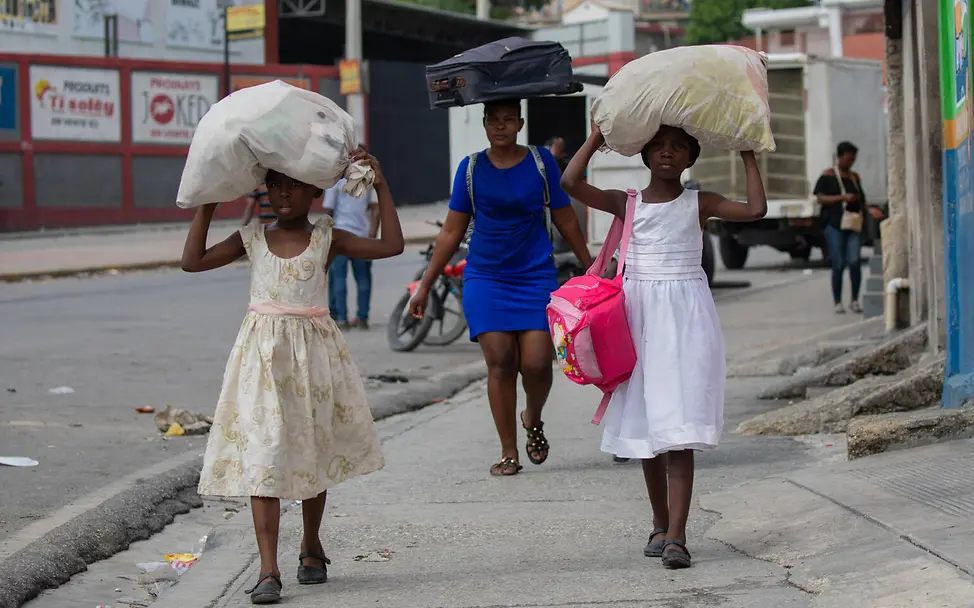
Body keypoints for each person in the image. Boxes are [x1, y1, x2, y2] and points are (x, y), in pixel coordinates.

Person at [180, 148, 404, 604]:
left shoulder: (329, 238)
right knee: (264, 455)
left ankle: (310, 546)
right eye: (276, 184)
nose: (284, 193)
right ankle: (267, 569)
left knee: (310, 450)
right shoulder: (250, 239)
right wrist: (206, 204)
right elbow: (192, 261)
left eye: (296, 185)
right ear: (265, 189)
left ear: (317, 191)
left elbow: (391, 247)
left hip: (315, 359)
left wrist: (380, 184)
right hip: (260, 361)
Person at [562, 124, 767, 569]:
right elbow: (570, 183)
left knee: (680, 428)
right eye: (657, 147)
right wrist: (598, 137)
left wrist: (747, 153)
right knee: (647, 429)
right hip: (636, 321)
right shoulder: (626, 203)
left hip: (686, 322)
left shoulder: (701, 203)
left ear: (692, 156)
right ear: (644, 155)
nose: (667, 154)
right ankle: (659, 523)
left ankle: (678, 535)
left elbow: (755, 209)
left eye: (677, 147)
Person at [408, 98, 593, 477]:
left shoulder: (541, 163)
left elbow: (565, 219)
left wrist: (589, 265)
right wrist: (425, 285)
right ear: (485, 124)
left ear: (520, 123)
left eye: (509, 120)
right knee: (501, 362)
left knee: (539, 363)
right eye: (494, 120)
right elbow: (451, 230)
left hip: (535, 275)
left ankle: (533, 417)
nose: (501, 126)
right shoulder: (471, 168)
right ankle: (509, 451)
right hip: (486, 278)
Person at [813, 141, 883, 314]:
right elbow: (820, 198)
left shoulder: (854, 177)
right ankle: (837, 301)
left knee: (854, 262)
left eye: (853, 159)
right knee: (838, 263)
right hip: (834, 225)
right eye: (848, 159)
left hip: (853, 225)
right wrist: (842, 198)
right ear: (840, 157)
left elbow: (862, 199)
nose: (851, 162)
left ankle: (854, 300)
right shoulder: (827, 176)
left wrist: (870, 210)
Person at [323, 174, 379, 329]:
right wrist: (372, 234)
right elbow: (375, 209)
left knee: (339, 277)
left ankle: (342, 318)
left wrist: (325, 235)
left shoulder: (336, 182)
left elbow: (328, 210)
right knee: (363, 278)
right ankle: (362, 318)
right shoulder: (368, 181)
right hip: (361, 236)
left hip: (340, 235)